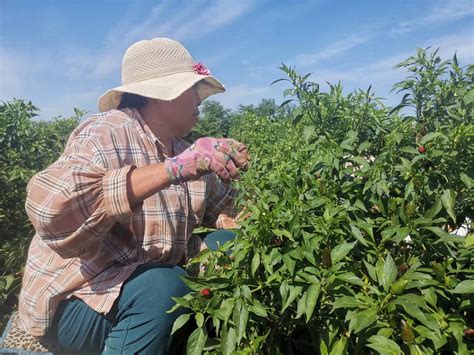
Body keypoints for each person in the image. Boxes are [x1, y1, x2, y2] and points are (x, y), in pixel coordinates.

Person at [18, 37, 250, 354]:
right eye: (192, 89)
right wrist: (175, 169)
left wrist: (263, 225)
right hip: (83, 299)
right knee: (163, 287)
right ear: (161, 95)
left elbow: (227, 214)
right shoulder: (107, 131)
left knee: (231, 246)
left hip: (141, 289)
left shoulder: (184, 151)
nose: (200, 99)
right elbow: (50, 209)